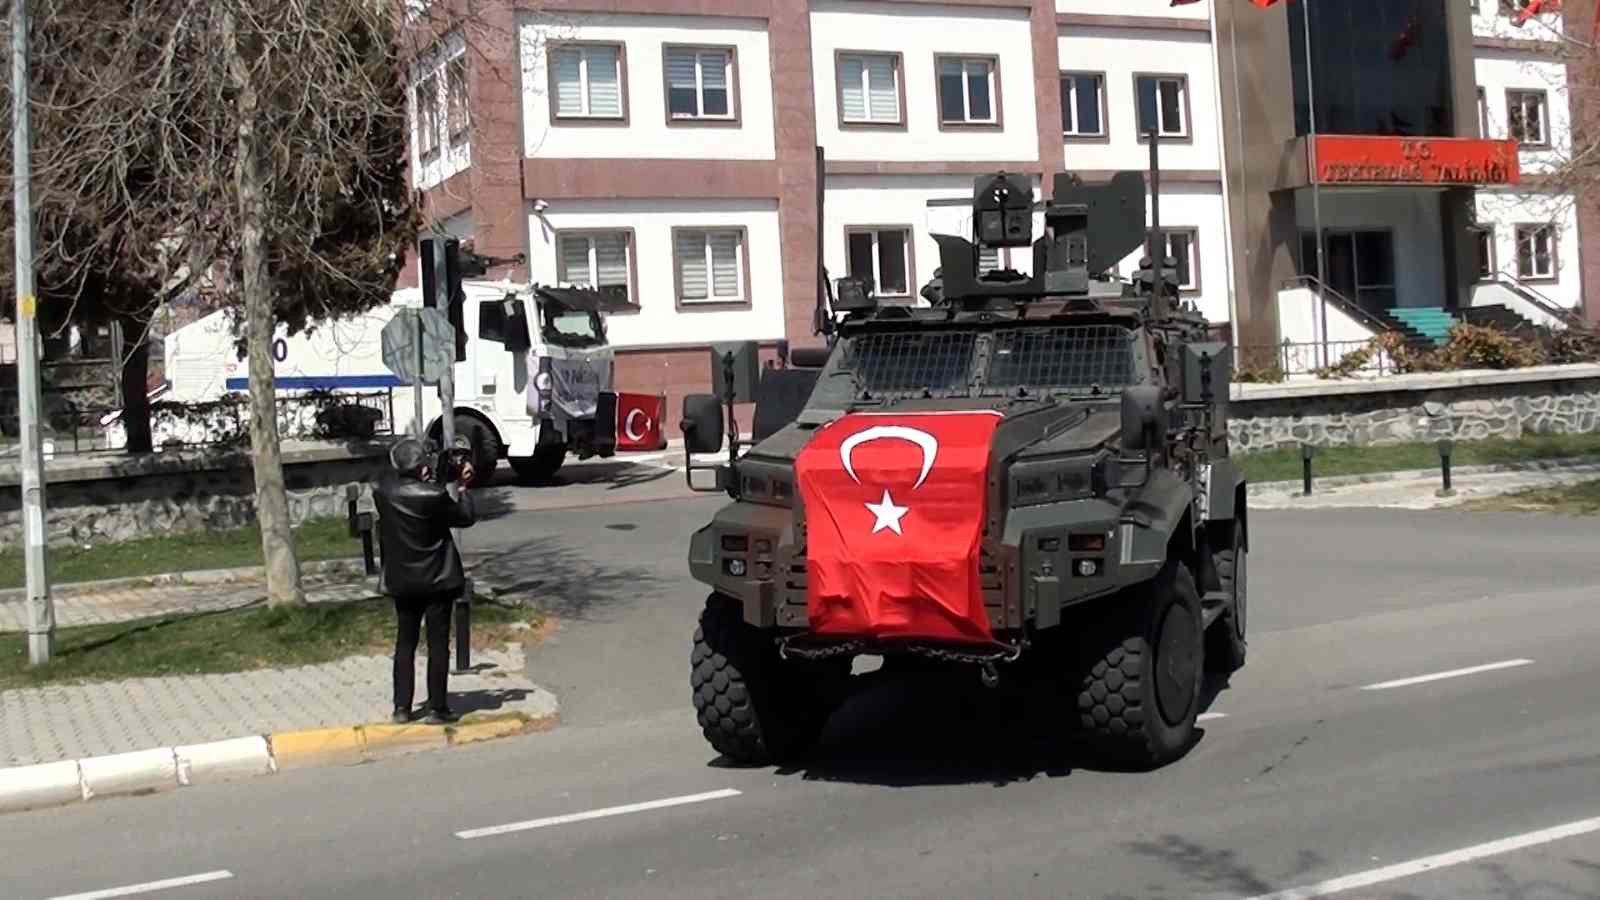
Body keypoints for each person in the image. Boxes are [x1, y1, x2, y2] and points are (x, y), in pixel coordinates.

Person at [373, 437, 477, 724]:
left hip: (402, 580)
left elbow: (403, 485)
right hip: (437, 580)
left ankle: (401, 708)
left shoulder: (382, 493)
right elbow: (464, 517)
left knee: (405, 643)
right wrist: (463, 486)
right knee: (438, 644)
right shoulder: (434, 496)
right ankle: (437, 708)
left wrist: (435, 477)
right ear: (422, 468)